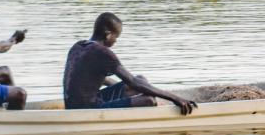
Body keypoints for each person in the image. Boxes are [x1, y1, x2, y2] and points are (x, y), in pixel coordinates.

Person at [62, 12, 197, 114]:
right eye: (116, 37)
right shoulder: (102, 52)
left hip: (73, 104)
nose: (116, 41)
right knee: (148, 100)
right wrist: (176, 99)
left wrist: (129, 90)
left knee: (141, 80)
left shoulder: (79, 46)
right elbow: (133, 82)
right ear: (108, 34)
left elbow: (100, 79)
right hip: (87, 109)